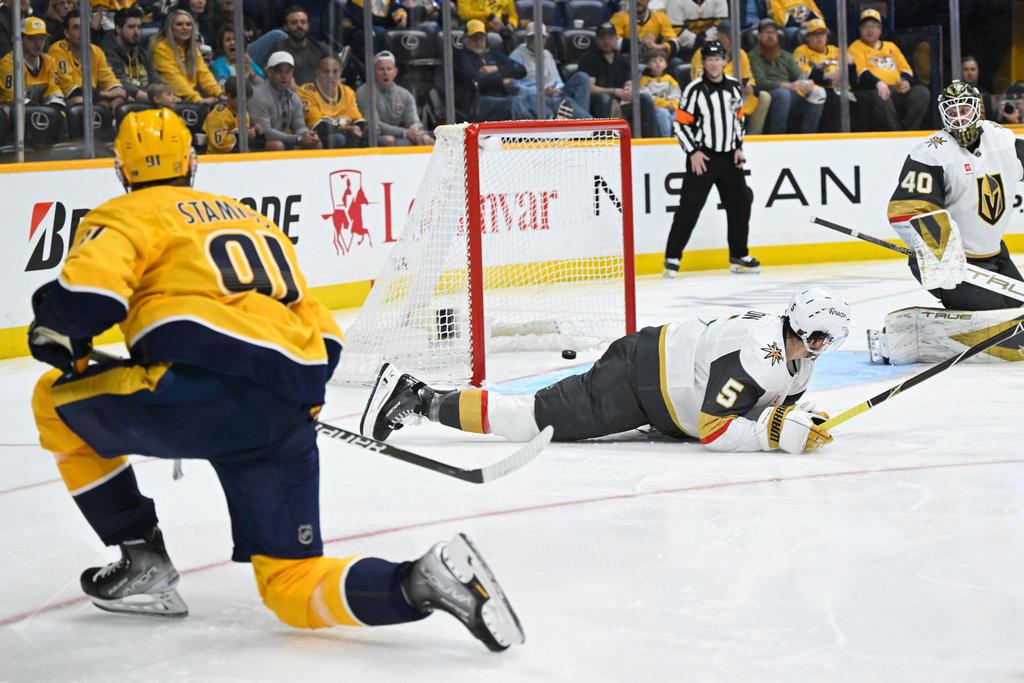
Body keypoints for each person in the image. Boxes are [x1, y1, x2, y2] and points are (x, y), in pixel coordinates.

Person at [26, 108, 524, 653]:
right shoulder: (250, 219)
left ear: (121, 170)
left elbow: (88, 301)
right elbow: (325, 332)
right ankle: (420, 581)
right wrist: (298, 404)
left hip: (192, 395)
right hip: (287, 404)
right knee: (290, 583)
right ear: (192, 162)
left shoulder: (123, 215)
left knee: (51, 402)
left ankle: (140, 555)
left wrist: (55, 332)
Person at [361, 286, 850, 455]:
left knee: (535, 418)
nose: (824, 348)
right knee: (533, 421)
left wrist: (797, 419)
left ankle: (424, 399)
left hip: (661, 390)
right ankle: (419, 398)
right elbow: (715, 428)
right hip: (638, 379)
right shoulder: (758, 353)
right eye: (822, 338)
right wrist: (774, 435)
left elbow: (766, 409)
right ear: (806, 330)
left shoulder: (799, 362)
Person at [886, 80, 1024, 311]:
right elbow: (905, 211)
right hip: (951, 263)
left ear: (978, 107)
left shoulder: (1002, 140)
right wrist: (939, 254)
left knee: (1018, 309)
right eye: (952, 112)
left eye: (964, 109)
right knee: (996, 313)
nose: (959, 118)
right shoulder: (931, 154)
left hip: (995, 255)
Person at [665, 40, 759, 278]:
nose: (714, 64)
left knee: (741, 203)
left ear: (724, 62)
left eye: (718, 59)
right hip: (704, 157)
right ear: (704, 63)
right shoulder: (694, 90)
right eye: (710, 60)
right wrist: (693, 152)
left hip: (729, 158)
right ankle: (672, 257)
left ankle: (739, 254)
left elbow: (738, 119)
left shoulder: (735, 86)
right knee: (690, 206)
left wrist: (738, 147)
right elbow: (680, 125)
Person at [848, 8, 928, 132]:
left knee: (921, 92)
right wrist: (878, 83)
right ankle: (895, 134)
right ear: (860, 29)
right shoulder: (856, 47)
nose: (870, 30)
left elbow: (905, 68)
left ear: (880, 29)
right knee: (882, 96)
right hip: (872, 89)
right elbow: (861, 72)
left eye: (873, 26)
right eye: (866, 26)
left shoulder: (891, 46)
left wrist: (906, 81)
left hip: (896, 89)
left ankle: (910, 133)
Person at [690, 19, 769, 135]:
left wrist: (750, 87)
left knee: (764, 97)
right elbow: (698, 82)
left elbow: (749, 77)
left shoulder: (740, 53)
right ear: (719, 35)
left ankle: (752, 137)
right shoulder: (702, 53)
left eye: (735, 36)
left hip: (737, 95)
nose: (733, 40)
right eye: (729, 36)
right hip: (712, 96)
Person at [577, 22, 657, 136]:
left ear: (616, 39)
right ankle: (605, 139)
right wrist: (614, 91)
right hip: (597, 104)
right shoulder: (588, 58)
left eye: (610, 37)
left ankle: (652, 141)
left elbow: (629, 82)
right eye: (602, 38)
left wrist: (628, 89)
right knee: (604, 99)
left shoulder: (623, 60)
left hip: (621, 103)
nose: (606, 41)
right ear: (596, 40)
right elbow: (589, 88)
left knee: (645, 99)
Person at [748, 16, 822, 134]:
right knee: (783, 94)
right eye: (766, 33)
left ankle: (809, 136)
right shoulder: (752, 57)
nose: (770, 36)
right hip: (769, 95)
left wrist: (806, 82)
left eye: (773, 33)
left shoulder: (786, 55)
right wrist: (787, 86)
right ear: (759, 36)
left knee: (818, 92)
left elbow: (799, 74)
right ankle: (778, 137)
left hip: (789, 95)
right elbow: (760, 82)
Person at [453, 18, 532, 122]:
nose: (478, 42)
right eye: (473, 38)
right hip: (477, 101)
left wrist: (496, 68)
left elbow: (521, 70)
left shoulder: (493, 54)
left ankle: (544, 123)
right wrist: (502, 82)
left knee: (529, 95)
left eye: (481, 38)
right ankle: (534, 129)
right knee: (513, 103)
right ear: (465, 39)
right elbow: (478, 79)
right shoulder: (461, 57)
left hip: (500, 96)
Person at [509, 22, 591, 120]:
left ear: (545, 39)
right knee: (563, 101)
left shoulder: (547, 54)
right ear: (526, 38)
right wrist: (542, 92)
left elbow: (558, 80)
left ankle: (581, 122)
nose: (537, 40)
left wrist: (556, 89)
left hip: (555, 93)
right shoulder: (516, 55)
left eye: (541, 37)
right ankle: (588, 122)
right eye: (533, 37)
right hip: (535, 98)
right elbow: (514, 85)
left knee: (582, 77)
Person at [49, 9, 126, 110]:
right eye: (76, 28)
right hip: (65, 102)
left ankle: (102, 119)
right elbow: (69, 91)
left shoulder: (96, 51)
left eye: (85, 27)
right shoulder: (57, 50)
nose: (82, 32)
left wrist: (117, 91)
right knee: (80, 101)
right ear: (66, 33)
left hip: (92, 97)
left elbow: (109, 80)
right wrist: (105, 94)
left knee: (118, 99)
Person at [355, 50, 434, 146]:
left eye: (389, 69)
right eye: (381, 69)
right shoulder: (364, 92)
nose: (385, 73)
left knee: (427, 140)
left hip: (400, 136)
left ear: (395, 72)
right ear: (373, 72)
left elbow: (414, 121)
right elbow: (374, 124)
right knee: (390, 140)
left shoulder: (405, 94)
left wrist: (416, 131)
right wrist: (405, 132)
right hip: (374, 137)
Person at [792, 18, 854, 133]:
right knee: (833, 101)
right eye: (815, 34)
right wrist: (828, 76)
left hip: (842, 89)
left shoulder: (835, 50)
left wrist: (850, 63)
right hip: (820, 89)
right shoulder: (801, 51)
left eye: (822, 33)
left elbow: (851, 69)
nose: (819, 37)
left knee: (859, 100)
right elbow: (804, 74)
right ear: (808, 37)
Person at [249, 50, 320, 150]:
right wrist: (298, 139)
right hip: (255, 143)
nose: (284, 76)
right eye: (278, 71)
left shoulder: (294, 98)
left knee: (316, 144)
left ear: (292, 73)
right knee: (277, 146)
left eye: (288, 71)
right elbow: (265, 132)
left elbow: (299, 127)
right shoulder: (258, 95)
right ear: (269, 72)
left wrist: (308, 135)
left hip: (283, 141)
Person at [150, 8, 224, 104]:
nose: (185, 28)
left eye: (188, 24)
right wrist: (197, 99)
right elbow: (174, 79)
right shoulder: (161, 48)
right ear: (170, 27)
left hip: (190, 97)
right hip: (172, 98)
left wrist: (219, 93)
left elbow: (204, 73)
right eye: (179, 24)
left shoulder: (192, 49)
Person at [0, 16, 65, 115]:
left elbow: (53, 90)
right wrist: (40, 111)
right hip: (10, 113)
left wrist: (56, 110)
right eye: (32, 38)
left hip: (38, 111)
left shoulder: (49, 61)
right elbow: (13, 98)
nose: (38, 44)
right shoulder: (9, 64)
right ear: (21, 39)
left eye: (41, 38)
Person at [297, 55, 365, 149]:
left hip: (345, 136)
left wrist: (367, 129)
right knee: (338, 139)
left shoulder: (347, 92)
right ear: (317, 73)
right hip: (319, 139)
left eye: (335, 71)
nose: (331, 76)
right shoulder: (307, 91)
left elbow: (357, 119)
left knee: (372, 139)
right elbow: (318, 127)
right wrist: (345, 129)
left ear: (340, 73)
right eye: (326, 71)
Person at [100, 6, 160, 103]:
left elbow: (156, 81)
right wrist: (153, 98)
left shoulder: (143, 54)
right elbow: (119, 83)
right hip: (128, 102)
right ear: (118, 29)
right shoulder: (106, 53)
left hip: (149, 101)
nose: (136, 32)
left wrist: (165, 94)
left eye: (139, 27)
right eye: (131, 27)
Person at [271, 5, 332, 88]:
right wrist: (311, 96)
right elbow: (291, 86)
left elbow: (335, 72)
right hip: (296, 95)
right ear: (286, 27)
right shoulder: (281, 51)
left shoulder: (320, 46)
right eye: (294, 22)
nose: (299, 25)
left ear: (308, 25)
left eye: (303, 22)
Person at [203, 75, 265, 152]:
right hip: (218, 158)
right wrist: (244, 136)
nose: (245, 104)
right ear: (229, 96)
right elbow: (219, 144)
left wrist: (257, 134)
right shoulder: (218, 116)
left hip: (239, 156)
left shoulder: (243, 113)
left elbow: (250, 144)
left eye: (247, 100)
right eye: (243, 100)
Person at [609, 0, 680, 62]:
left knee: (676, 61)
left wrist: (657, 46)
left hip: (654, 60)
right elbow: (612, 42)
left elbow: (676, 42)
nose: (638, 1)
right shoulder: (619, 17)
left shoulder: (660, 16)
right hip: (627, 61)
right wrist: (640, 40)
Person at [639, 47, 679, 137]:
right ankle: (666, 137)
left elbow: (676, 94)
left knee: (679, 114)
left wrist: (673, 105)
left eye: (661, 60)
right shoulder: (644, 80)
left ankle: (677, 137)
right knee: (663, 113)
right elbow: (647, 97)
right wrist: (665, 105)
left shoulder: (670, 79)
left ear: (666, 64)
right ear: (648, 65)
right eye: (654, 61)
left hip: (671, 107)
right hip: (656, 108)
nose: (657, 63)